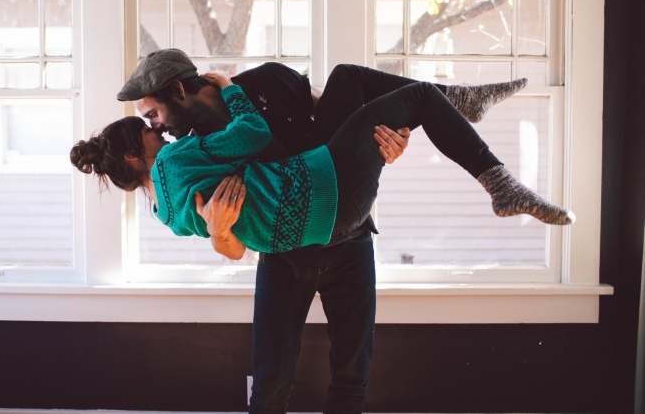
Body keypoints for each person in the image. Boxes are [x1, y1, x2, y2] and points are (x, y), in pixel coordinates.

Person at [74, 50, 570, 413]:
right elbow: (228, 243)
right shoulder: (187, 146)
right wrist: (220, 231)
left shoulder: (264, 82)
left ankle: (456, 105)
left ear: (179, 91)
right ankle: (464, 115)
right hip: (295, 238)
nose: (161, 127)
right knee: (271, 379)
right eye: (150, 124)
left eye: (154, 114)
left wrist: (390, 144)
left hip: (343, 223)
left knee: (349, 77)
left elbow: (346, 117)